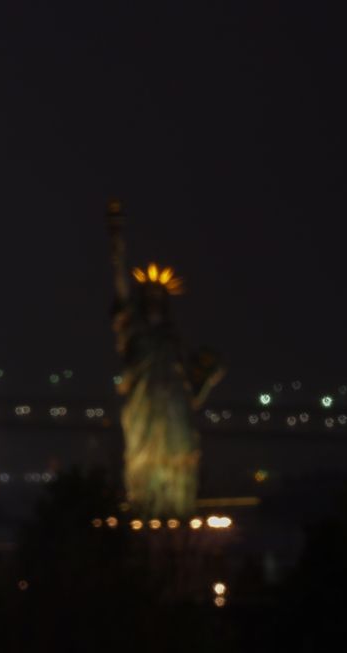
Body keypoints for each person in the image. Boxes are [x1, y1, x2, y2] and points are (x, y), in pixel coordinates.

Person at [107, 201, 223, 517]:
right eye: (149, 296)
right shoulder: (132, 329)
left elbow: (191, 393)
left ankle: (179, 513)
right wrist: (117, 244)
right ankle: (145, 511)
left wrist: (208, 378)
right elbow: (121, 291)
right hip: (143, 407)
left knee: (181, 458)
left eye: (160, 296)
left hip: (175, 410)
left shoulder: (172, 339)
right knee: (143, 459)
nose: (155, 300)